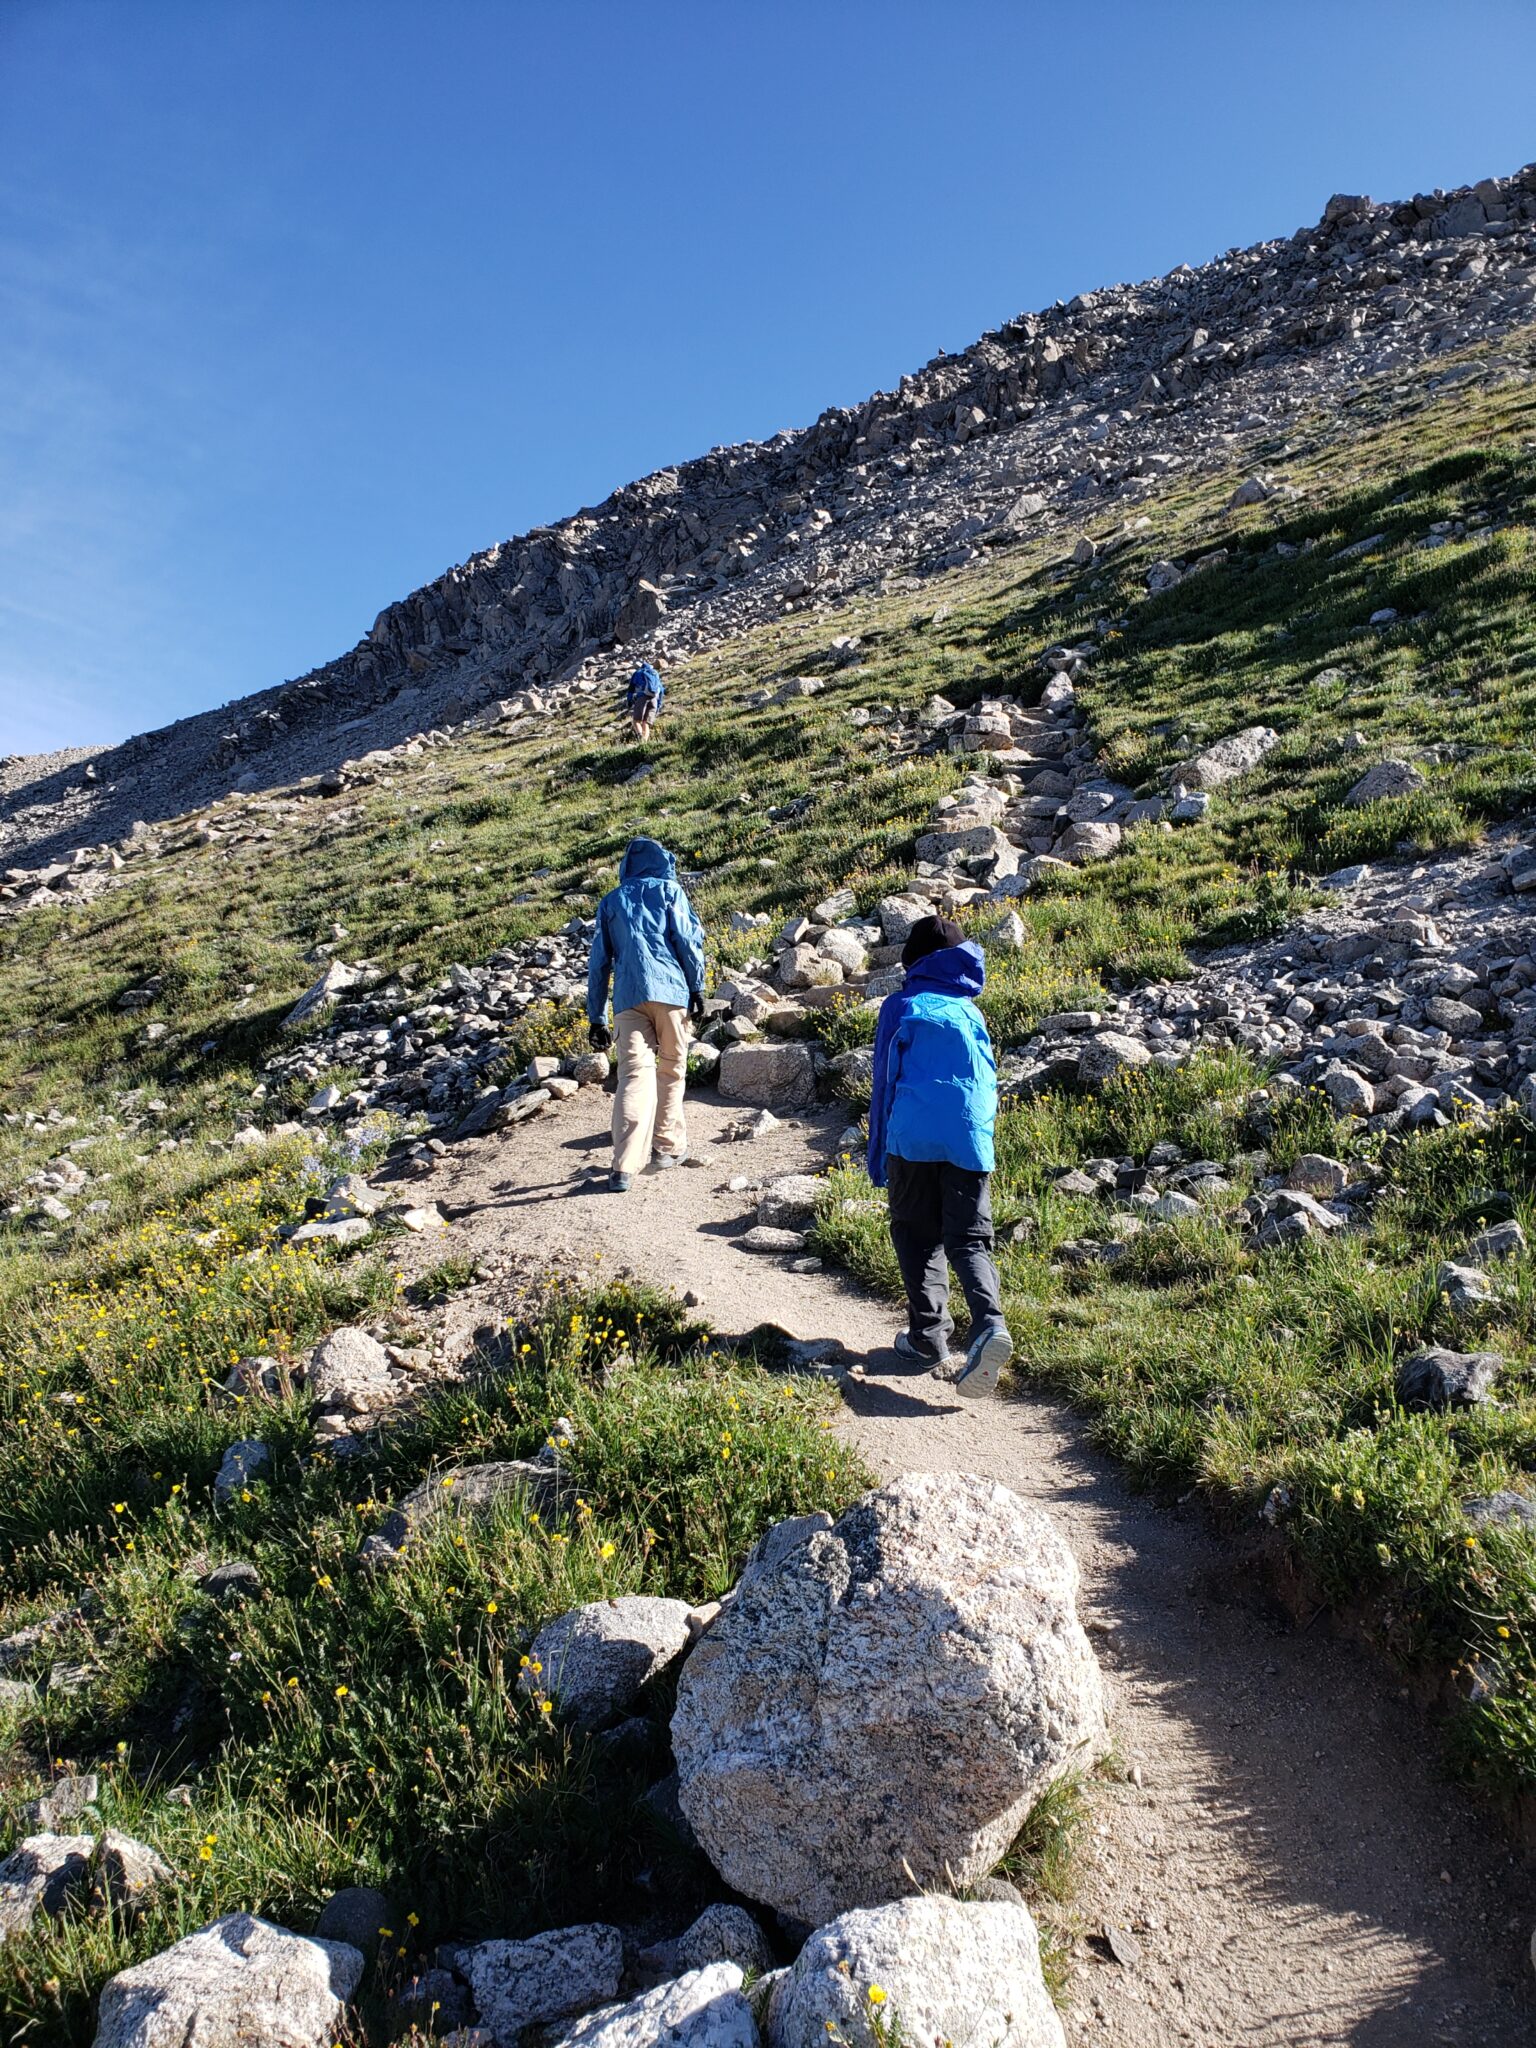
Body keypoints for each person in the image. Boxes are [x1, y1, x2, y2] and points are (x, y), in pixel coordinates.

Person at [865, 914, 1013, 1398]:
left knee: (915, 1232)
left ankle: (928, 1339)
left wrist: (877, 1155)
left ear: (913, 960)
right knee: (969, 1240)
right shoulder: (971, 1011)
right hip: (970, 1139)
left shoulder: (901, 1006)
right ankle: (990, 1325)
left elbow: (884, 1082)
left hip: (912, 1138)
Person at [586, 837, 706, 1192]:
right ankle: (666, 1147)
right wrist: (697, 987)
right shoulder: (670, 891)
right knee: (671, 1069)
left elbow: (598, 963)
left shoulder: (611, 901)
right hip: (670, 991)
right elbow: (687, 941)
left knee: (633, 1076)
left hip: (628, 997)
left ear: (627, 867)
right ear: (663, 862)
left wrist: (597, 1017)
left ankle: (623, 1167)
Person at [625, 661, 665, 741]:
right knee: (646, 723)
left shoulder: (638, 673)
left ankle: (640, 736)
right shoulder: (655, 674)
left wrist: (629, 701)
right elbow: (661, 690)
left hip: (642, 698)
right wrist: (658, 705)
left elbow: (631, 689)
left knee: (636, 721)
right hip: (654, 699)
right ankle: (644, 743)